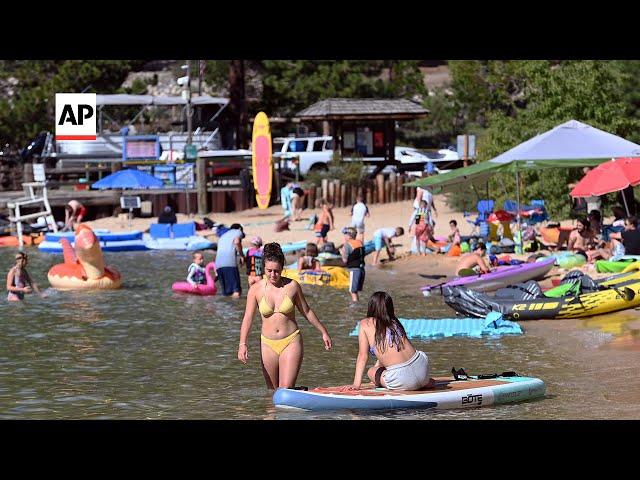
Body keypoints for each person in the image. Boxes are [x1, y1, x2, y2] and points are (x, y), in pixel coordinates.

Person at [237, 242, 332, 389]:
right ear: (264, 268)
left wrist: (323, 332)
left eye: (277, 271)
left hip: (291, 341)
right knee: (272, 393)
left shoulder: (292, 286)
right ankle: (298, 396)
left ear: (282, 268)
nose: (273, 275)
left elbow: (306, 311)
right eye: (269, 271)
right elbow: (248, 318)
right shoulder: (255, 290)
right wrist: (242, 344)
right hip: (267, 344)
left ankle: (294, 393)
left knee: (284, 390)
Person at [339, 291, 433, 392]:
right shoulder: (395, 322)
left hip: (401, 379)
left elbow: (363, 356)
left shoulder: (365, 323)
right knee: (384, 367)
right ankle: (422, 381)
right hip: (422, 366)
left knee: (371, 372)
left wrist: (356, 384)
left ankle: (413, 382)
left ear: (371, 307)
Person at [215, 223, 245, 298]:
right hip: (229, 263)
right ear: (239, 229)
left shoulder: (222, 236)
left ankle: (226, 309)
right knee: (236, 291)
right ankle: (235, 309)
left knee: (226, 293)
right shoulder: (237, 231)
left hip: (218, 265)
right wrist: (241, 255)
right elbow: (237, 241)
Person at [341, 227, 366, 302]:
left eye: (345, 234)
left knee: (352, 291)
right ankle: (357, 304)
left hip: (354, 270)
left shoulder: (347, 245)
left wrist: (342, 253)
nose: (344, 236)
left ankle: (355, 308)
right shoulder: (360, 243)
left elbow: (344, 260)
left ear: (349, 235)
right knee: (356, 291)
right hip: (362, 270)